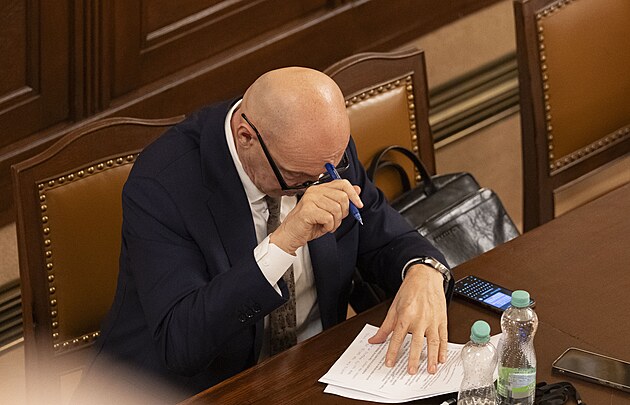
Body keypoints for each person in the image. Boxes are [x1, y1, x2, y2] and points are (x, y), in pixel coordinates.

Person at [76, 67, 452, 403]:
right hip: (185, 389)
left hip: (309, 374)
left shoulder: (320, 155)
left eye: (329, 170)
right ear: (246, 137)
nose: (316, 185)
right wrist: (283, 243)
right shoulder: (164, 185)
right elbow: (183, 342)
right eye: (297, 179)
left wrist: (422, 269)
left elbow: (382, 233)